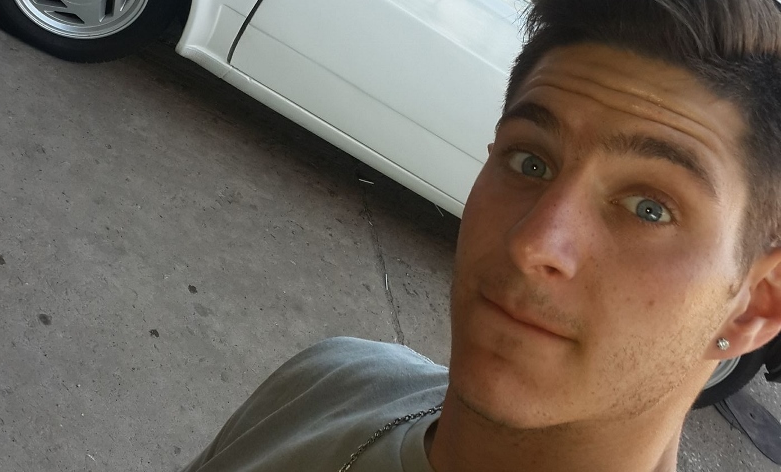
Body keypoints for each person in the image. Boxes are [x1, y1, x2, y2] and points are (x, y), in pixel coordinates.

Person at [181, 0, 781, 470]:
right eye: (530, 162)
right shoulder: (327, 383)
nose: (533, 243)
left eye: (649, 209)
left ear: (755, 305)